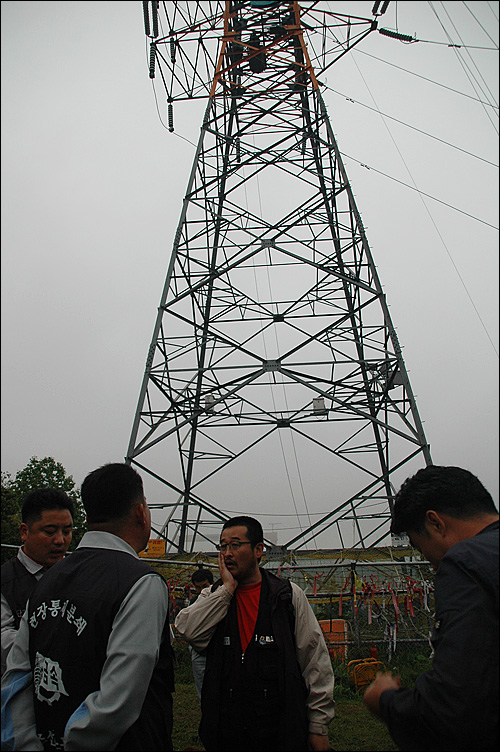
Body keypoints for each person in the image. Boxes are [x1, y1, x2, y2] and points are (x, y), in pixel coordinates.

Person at [1, 462, 174, 751]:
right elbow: (117, 701)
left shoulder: (47, 578)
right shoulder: (141, 582)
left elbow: (18, 677)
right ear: (140, 513)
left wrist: (30, 745)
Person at [363, 465, 499, 751]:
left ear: (436, 523)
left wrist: (386, 700)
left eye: (418, 545)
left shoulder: (465, 561)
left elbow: (453, 709)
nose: (430, 562)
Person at [175, 515, 335, 751]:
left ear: (259, 550)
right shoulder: (215, 596)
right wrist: (227, 589)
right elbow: (187, 630)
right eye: (223, 546)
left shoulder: (287, 596)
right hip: (226, 730)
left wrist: (318, 727)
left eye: (235, 545)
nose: (227, 553)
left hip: (279, 729)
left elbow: (314, 661)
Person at [1, 488, 74, 676]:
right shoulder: (6, 581)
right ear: (24, 532)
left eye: (67, 531)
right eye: (50, 532)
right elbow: (5, 643)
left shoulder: (78, 577)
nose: (60, 540)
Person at [188, 566, 214, 703]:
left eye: (205, 586)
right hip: (199, 652)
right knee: (202, 689)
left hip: (215, 650)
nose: (201, 591)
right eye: (198, 588)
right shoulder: (194, 603)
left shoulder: (219, 601)